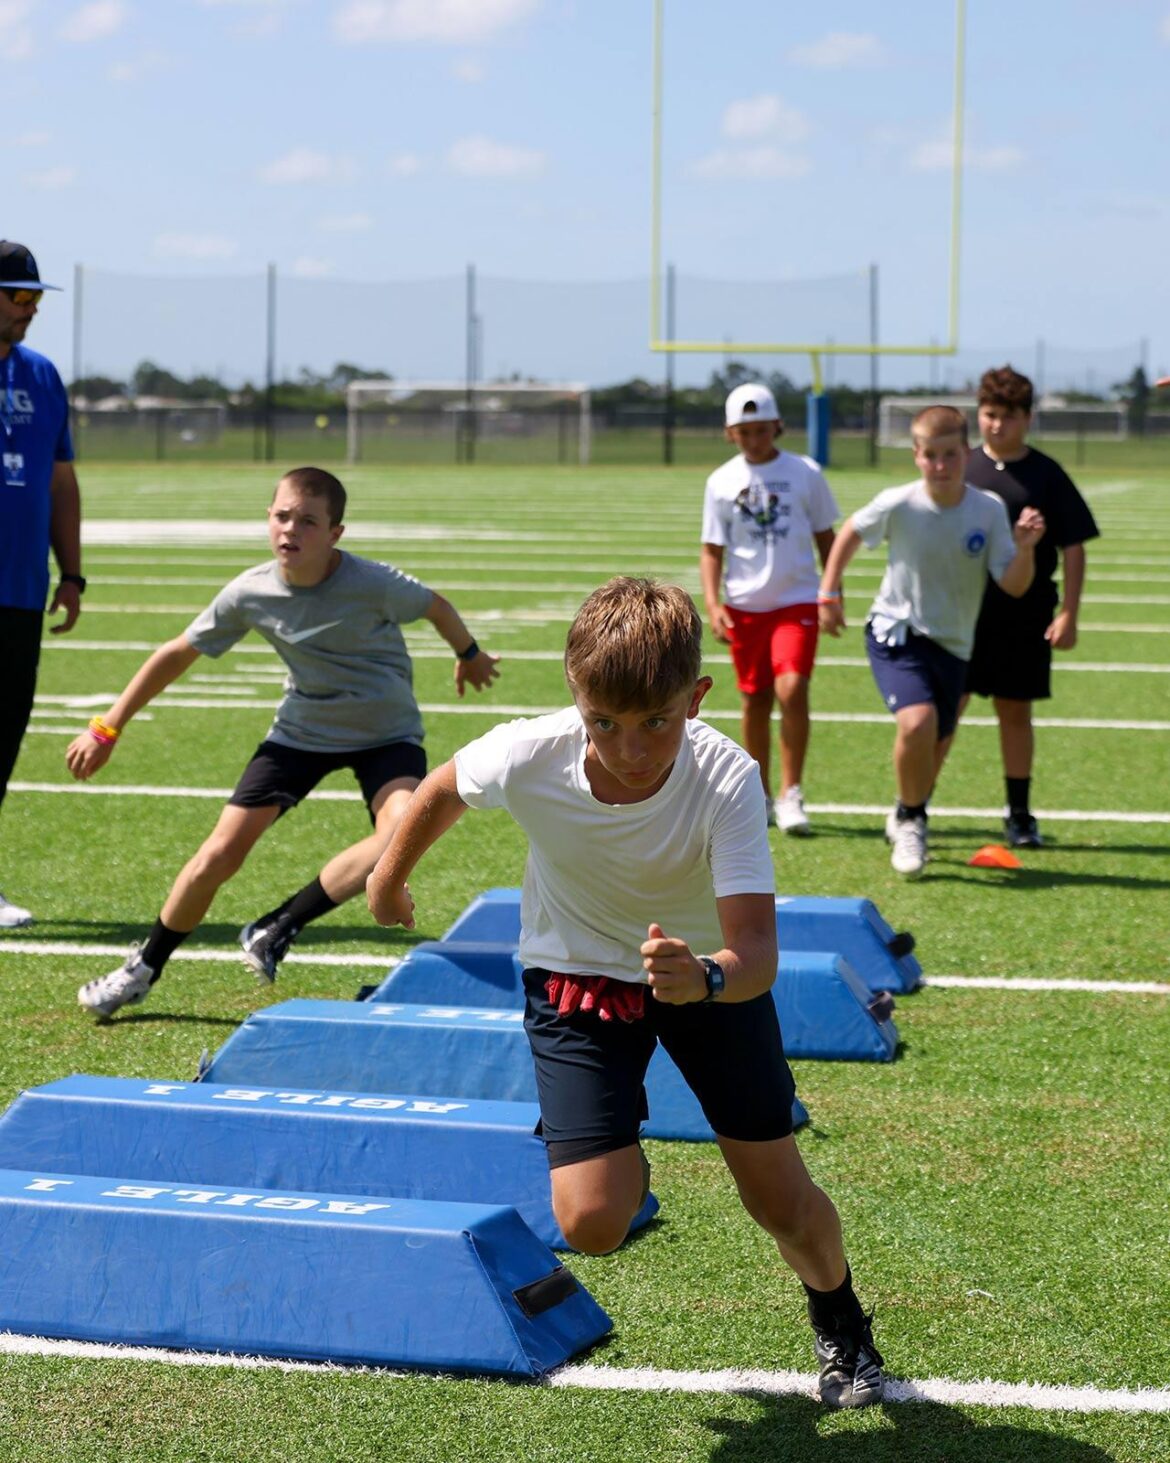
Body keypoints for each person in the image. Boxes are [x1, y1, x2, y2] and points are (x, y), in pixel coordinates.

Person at [367, 576, 884, 1410]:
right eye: (604, 722)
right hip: (574, 978)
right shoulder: (529, 750)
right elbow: (440, 789)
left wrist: (704, 975)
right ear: (575, 694)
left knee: (778, 1199)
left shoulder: (727, 776)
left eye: (657, 722)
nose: (630, 748)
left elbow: (757, 953)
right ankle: (620, 1152)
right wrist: (388, 879)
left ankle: (840, 1317)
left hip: (705, 979)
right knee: (592, 1222)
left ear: (696, 698)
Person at [66, 465, 500, 1017]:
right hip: (301, 733)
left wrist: (469, 654)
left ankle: (278, 926)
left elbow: (435, 605)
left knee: (400, 831)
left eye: (308, 521)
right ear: (268, 519)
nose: (291, 529)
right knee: (218, 854)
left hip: (386, 734)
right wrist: (107, 727)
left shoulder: (374, 583)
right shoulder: (250, 591)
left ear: (335, 533)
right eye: (282, 516)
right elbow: (177, 652)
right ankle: (142, 969)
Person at [818, 405, 1045, 878]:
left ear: (966, 453)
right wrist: (829, 592)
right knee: (917, 723)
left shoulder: (987, 509)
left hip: (955, 646)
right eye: (931, 456)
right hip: (896, 632)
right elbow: (852, 531)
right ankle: (910, 820)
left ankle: (905, 808)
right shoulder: (899, 502)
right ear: (916, 456)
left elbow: (1014, 585)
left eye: (950, 455)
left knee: (936, 742)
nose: (940, 465)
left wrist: (1024, 549)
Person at [943, 365, 1099, 847]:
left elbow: (1074, 545)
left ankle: (1019, 814)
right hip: (962, 616)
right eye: (990, 414)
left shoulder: (1047, 474)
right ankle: (913, 809)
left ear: (1028, 418)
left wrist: (1069, 612)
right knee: (944, 712)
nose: (997, 425)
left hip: (1025, 616)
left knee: (1015, 713)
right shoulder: (961, 467)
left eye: (1008, 416)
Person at [699, 383, 838, 835]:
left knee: (792, 688)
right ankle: (758, 793)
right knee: (755, 700)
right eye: (744, 431)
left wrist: (831, 594)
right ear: (729, 433)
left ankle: (791, 792)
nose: (754, 439)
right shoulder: (720, 481)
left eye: (761, 430)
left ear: (777, 426)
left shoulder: (805, 472)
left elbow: (827, 538)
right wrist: (713, 603)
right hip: (744, 606)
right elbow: (712, 549)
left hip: (796, 602)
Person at [0, 240, 84, 929]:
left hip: (22, 588)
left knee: (3, 737)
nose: (30, 308)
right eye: (18, 296)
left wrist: (72, 572)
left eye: (35, 297)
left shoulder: (43, 375)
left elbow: (61, 483)